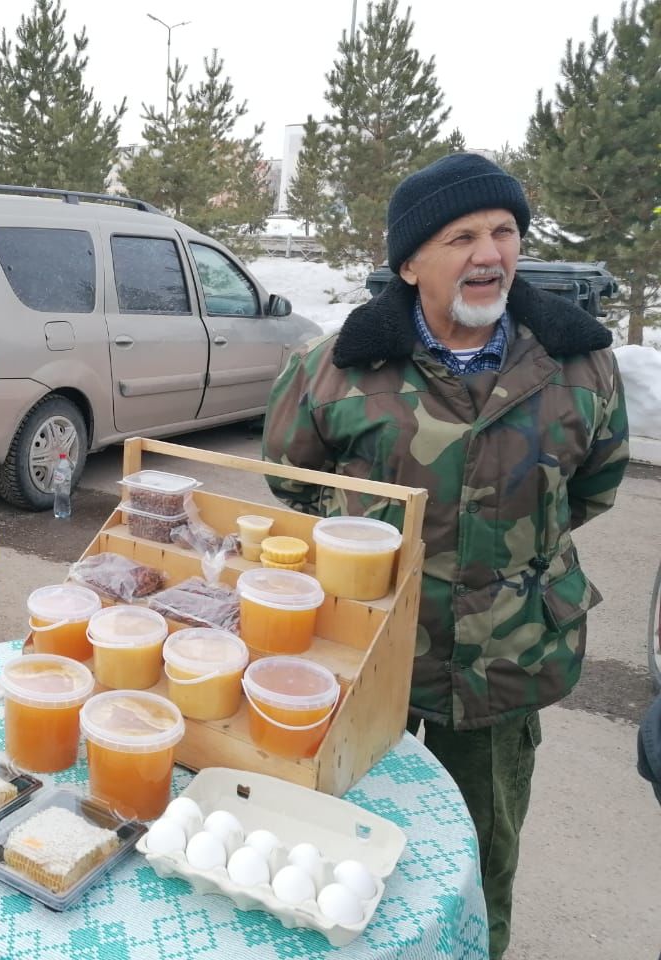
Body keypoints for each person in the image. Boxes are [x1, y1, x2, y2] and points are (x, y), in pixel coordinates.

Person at [262, 152, 630, 958]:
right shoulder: (335, 367)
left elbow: (594, 486)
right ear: (409, 263)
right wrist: (364, 527)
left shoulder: (579, 362)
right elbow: (292, 480)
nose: (490, 253)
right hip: (365, 658)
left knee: (478, 858)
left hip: (504, 664)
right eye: (461, 236)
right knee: (341, 848)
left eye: (504, 232)